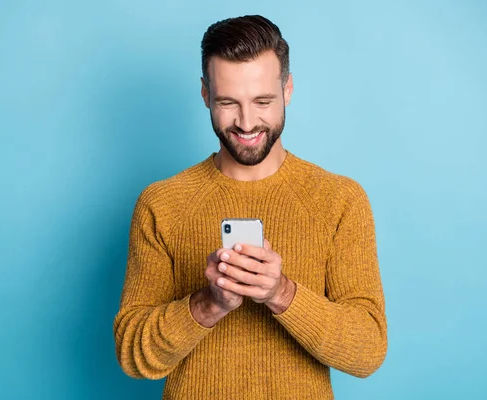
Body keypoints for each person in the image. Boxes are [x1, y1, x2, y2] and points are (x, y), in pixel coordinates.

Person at [113, 14, 388, 399]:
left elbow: (368, 351)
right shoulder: (163, 204)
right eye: (228, 102)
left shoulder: (339, 200)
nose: (246, 123)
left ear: (287, 89)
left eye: (263, 101)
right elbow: (132, 353)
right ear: (206, 95)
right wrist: (209, 304)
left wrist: (281, 293)